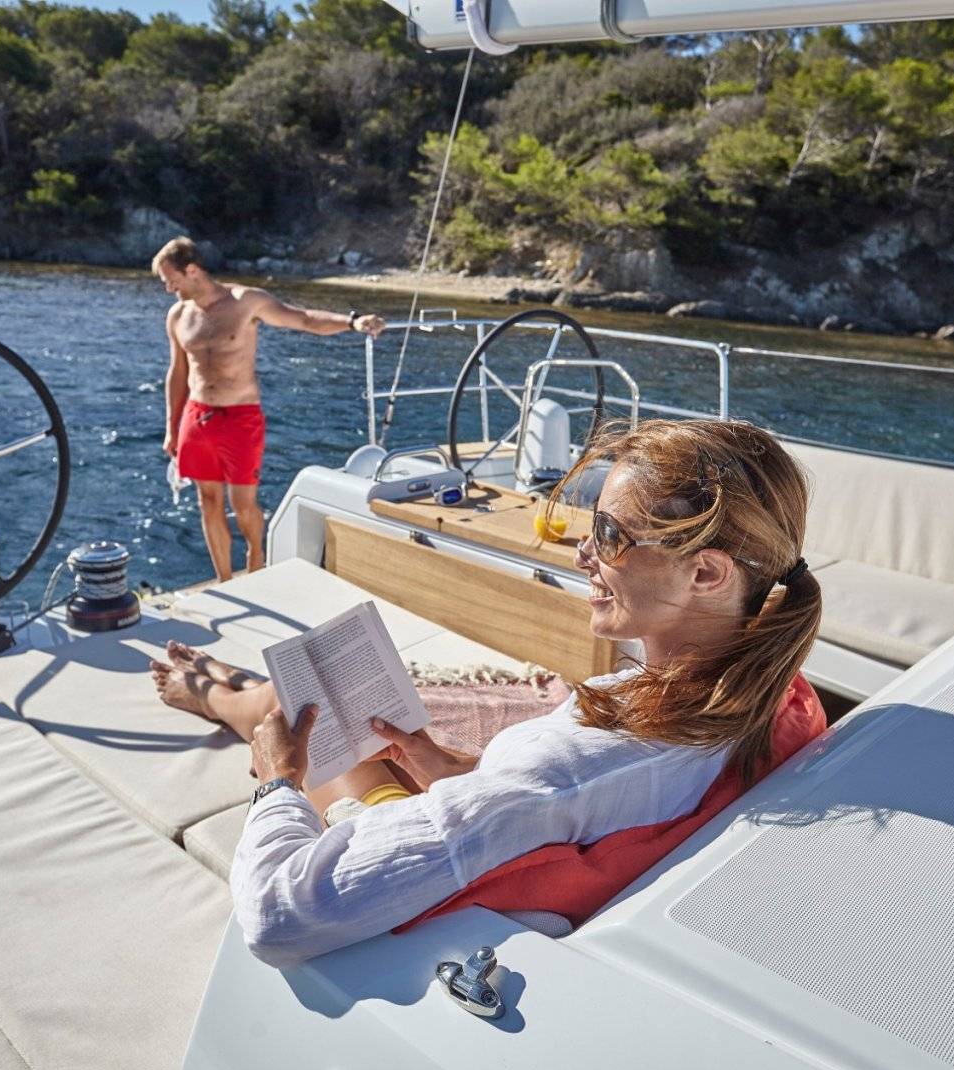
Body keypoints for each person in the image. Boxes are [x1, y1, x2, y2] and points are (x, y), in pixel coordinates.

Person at [150, 418, 824, 966]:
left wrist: (276, 785)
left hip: (435, 917)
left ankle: (219, 697)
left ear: (706, 574)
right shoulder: (767, 698)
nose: (582, 554)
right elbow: (554, 807)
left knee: (301, 719)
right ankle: (235, 691)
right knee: (336, 723)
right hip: (517, 834)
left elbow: (277, 914)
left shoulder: (568, 771)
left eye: (610, 535)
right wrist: (459, 770)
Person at [152, 236, 387, 582]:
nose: (168, 288)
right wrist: (172, 427)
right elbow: (178, 373)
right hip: (197, 417)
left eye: (170, 279)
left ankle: (255, 554)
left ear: (192, 270)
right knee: (208, 501)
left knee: (243, 504)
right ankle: (224, 580)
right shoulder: (178, 315)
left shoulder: (245, 302)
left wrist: (351, 322)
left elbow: (304, 319)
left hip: (240, 417)